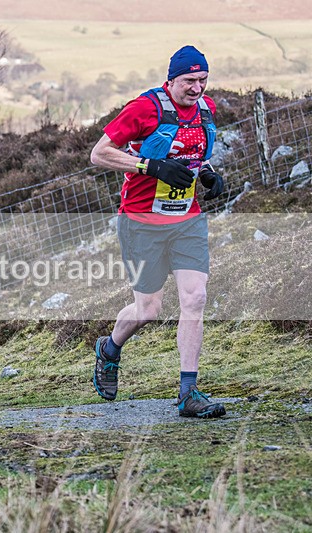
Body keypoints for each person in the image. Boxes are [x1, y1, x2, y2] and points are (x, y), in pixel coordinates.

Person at [89, 45, 227, 418]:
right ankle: (109, 348)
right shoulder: (145, 108)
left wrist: (208, 174)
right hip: (141, 223)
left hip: (186, 221)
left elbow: (196, 155)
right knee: (148, 309)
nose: (197, 88)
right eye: (189, 81)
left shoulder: (206, 109)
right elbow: (99, 153)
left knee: (195, 298)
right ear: (172, 80)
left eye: (203, 79)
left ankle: (188, 393)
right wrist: (151, 167)